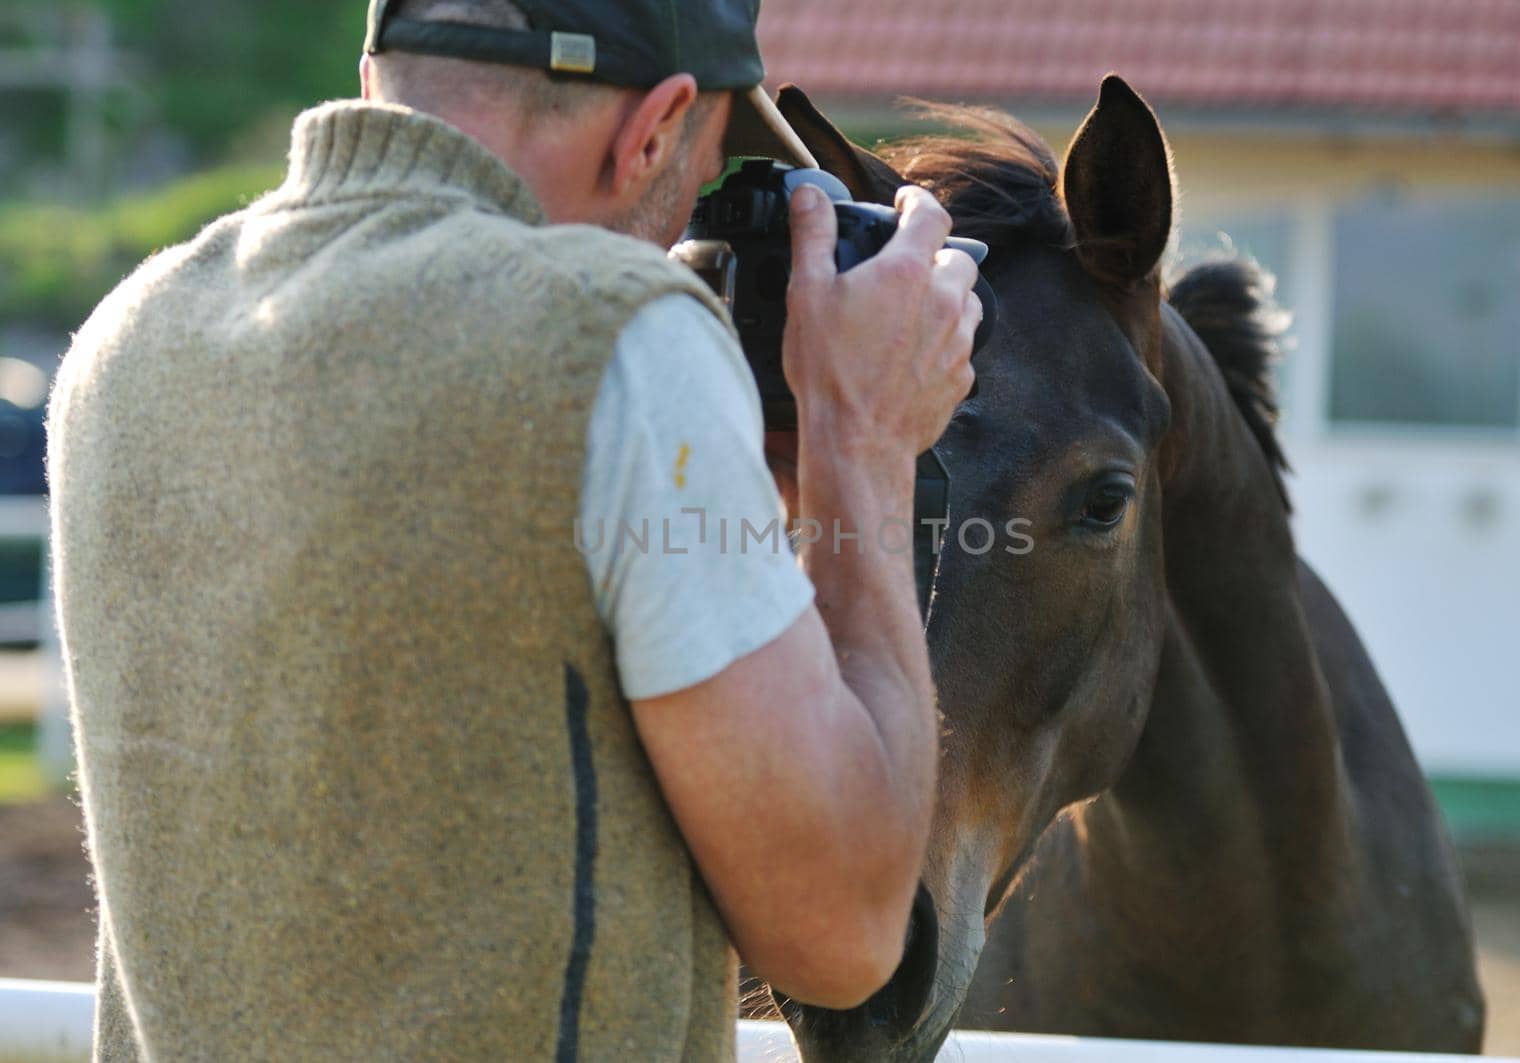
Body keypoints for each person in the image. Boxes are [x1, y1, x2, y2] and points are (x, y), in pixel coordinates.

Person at [47, 0, 979, 1058]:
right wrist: (864, 439)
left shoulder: (130, 337)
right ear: (655, 129)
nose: (688, 225)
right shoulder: (613, 334)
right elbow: (842, 932)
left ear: (376, 71)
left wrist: (739, 489)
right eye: (708, 171)